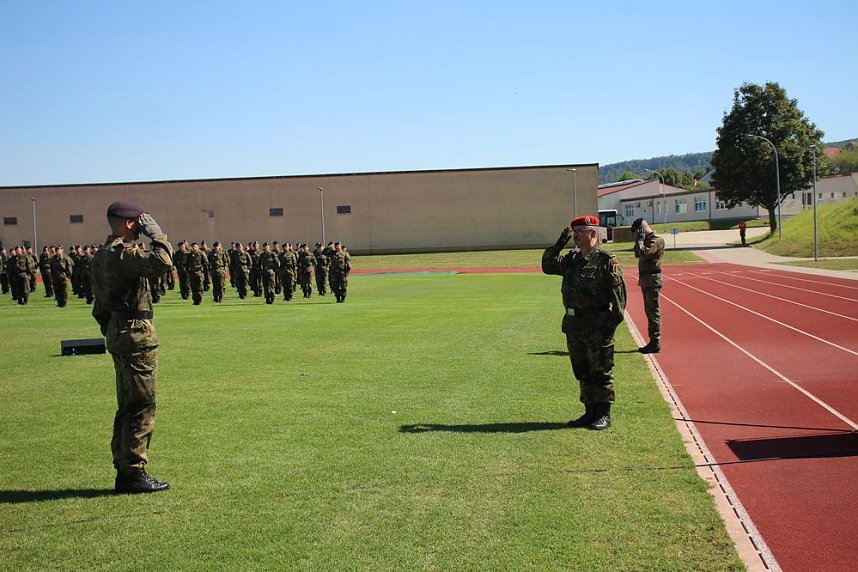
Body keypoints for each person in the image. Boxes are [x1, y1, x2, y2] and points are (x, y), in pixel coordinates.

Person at [90, 201, 173, 493]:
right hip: (136, 335)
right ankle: (133, 473)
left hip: (118, 332)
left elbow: (98, 307)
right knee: (141, 404)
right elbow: (163, 262)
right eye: (138, 222)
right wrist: (157, 234)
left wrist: (112, 330)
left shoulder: (100, 255)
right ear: (128, 224)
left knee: (127, 404)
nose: (141, 226)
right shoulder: (123, 254)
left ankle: (125, 468)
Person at [542, 215, 626, 430]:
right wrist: (558, 245)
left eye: (581, 231)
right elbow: (547, 265)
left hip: (597, 325)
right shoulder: (571, 260)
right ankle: (589, 413)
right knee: (582, 370)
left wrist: (609, 326)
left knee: (601, 370)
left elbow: (619, 300)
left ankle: (604, 414)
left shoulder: (606, 261)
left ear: (593, 234)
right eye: (574, 232)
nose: (576, 236)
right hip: (574, 324)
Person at [631, 218, 665, 354]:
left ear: (643, 228)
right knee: (649, 310)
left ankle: (655, 341)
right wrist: (639, 240)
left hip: (652, 280)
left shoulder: (655, 240)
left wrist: (640, 239)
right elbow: (636, 253)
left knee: (653, 311)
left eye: (638, 231)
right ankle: (653, 340)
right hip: (647, 280)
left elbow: (643, 254)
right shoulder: (646, 240)